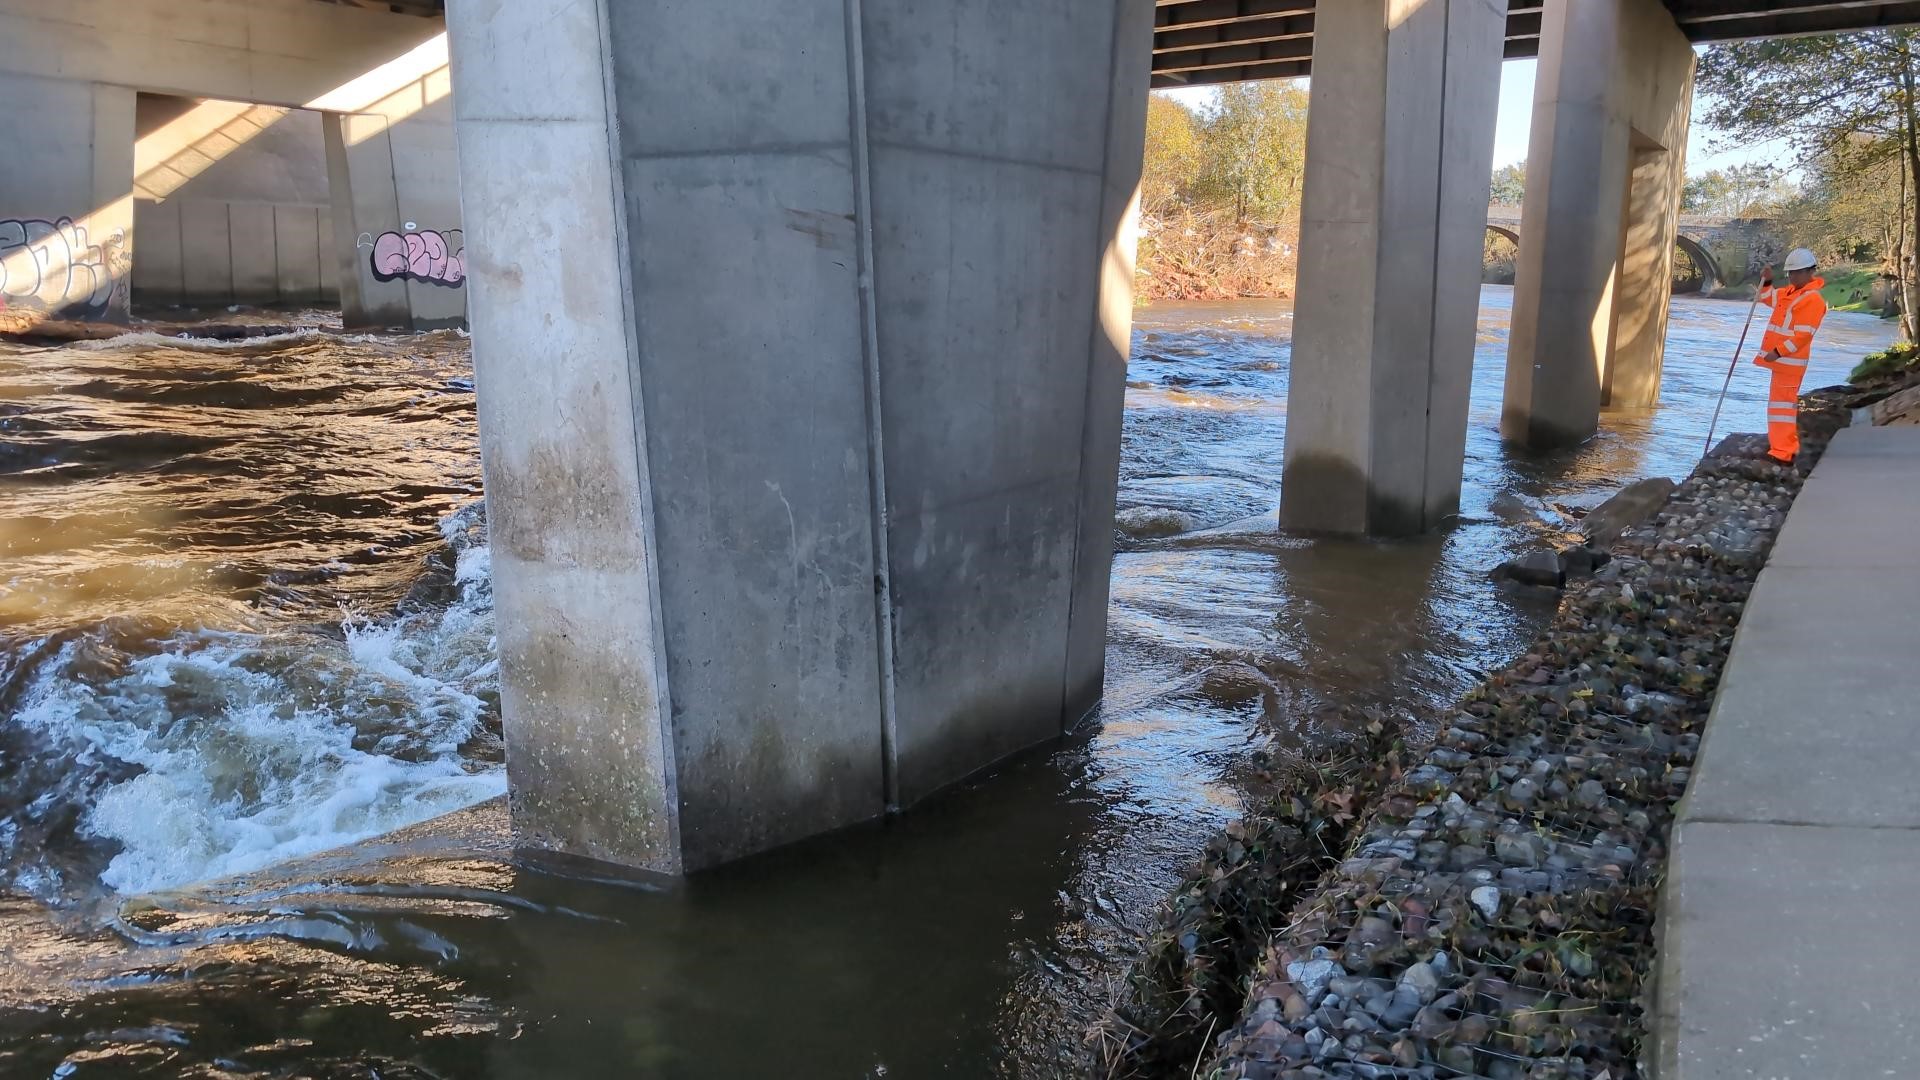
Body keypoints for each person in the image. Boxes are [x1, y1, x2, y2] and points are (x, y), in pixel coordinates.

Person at [1752, 247, 1828, 464]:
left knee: (1783, 408)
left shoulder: (1812, 300)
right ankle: (1780, 447)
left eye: (1796, 272)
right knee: (1778, 407)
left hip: (1789, 362)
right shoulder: (1788, 293)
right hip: (1781, 362)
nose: (1792, 276)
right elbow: (1765, 297)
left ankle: (1783, 452)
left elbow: (1802, 336)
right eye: (1790, 273)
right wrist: (1767, 281)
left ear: (1809, 272)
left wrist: (1777, 352)